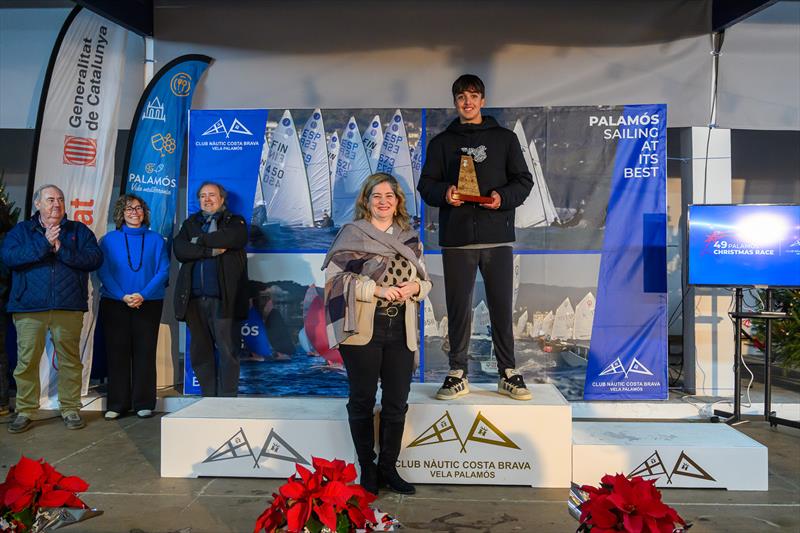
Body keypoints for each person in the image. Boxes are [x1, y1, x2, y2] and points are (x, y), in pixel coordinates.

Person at [417, 74, 534, 401]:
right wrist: (446, 193)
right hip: (456, 241)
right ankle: (457, 373)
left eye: (473, 96)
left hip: (497, 239)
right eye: (461, 97)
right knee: (458, 310)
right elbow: (426, 186)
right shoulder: (441, 143)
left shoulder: (505, 139)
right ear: (455, 102)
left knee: (501, 308)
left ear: (482, 100)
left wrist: (502, 198)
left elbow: (524, 181)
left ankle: (507, 373)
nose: (467, 102)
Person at [323, 173, 431, 496]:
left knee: (397, 403)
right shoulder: (351, 234)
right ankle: (367, 468)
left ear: (397, 202)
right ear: (366, 201)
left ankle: (388, 468)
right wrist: (376, 290)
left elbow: (425, 281)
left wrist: (415, 287)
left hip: (401, 330)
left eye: (389, 196)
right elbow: (334, 281)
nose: (383, 202)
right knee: (362, 400)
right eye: (377, 196)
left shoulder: (410, 239)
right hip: (362, 329)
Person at [0, 184, 103, 433]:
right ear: (37, 204)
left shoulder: (78, 231)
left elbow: (94, 259)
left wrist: (61, 249)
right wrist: (44, 244)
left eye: (60, 199)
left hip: (68, 307)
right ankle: (25, 410)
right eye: (50, 199)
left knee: (70, 361)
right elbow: (9, 257)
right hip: (28, 307)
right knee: (27, 362)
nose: (56, 204)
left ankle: (70, 408)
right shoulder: (21, 231)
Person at [97, 194, 169, 420]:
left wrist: (143, 294)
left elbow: (163, 270)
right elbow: (103, 271)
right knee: (117, 353)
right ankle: (117, 404)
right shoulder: (108, 240)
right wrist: (122, 296)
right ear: (121, 213)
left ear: (144, 212)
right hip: (115, 302)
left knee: (145, 352)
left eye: (138, 208)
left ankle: (143, 402)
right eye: (129, 208)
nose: (134, 212)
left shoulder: (157, 240)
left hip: (149, 302)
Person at [174, 182, 248, 397]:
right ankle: (208, 397)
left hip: (224, 301)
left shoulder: (235, 221)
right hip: (193, 300)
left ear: (222, 199)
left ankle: (227, 399)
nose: (207, 199)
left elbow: (232, 238)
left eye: (212, 195)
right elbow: (180, 249)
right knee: (200, 352)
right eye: (203, 196)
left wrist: (198, 241)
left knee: (228, 351)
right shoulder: (190, 223)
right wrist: (209, 251)